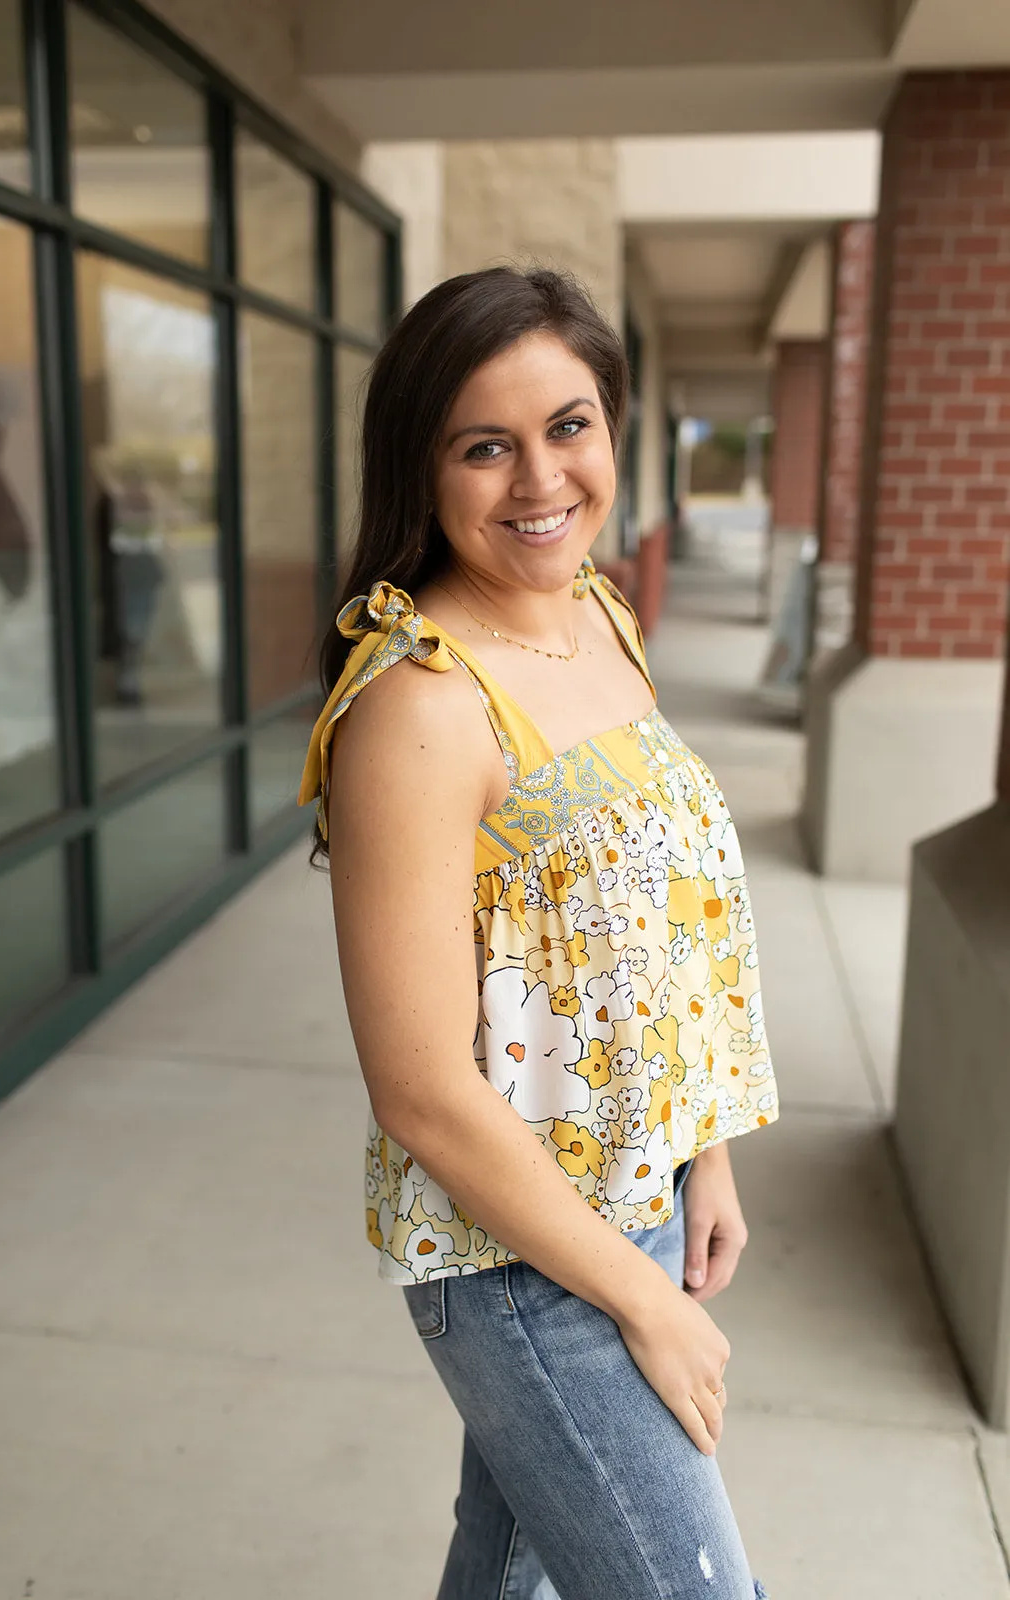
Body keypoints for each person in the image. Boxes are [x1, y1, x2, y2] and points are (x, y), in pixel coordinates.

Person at [299, 266, 776, 1600]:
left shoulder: (597, 617)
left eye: (566, 426)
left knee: (510, 1581)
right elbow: (422, 1096)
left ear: (612, 428)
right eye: (482, 445)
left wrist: (705, 1161)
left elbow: (665, 933)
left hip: (637, 1203)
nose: (537, 481)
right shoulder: (416, 707)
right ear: (420, 467)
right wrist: (640, 1303)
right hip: (519, 1263)